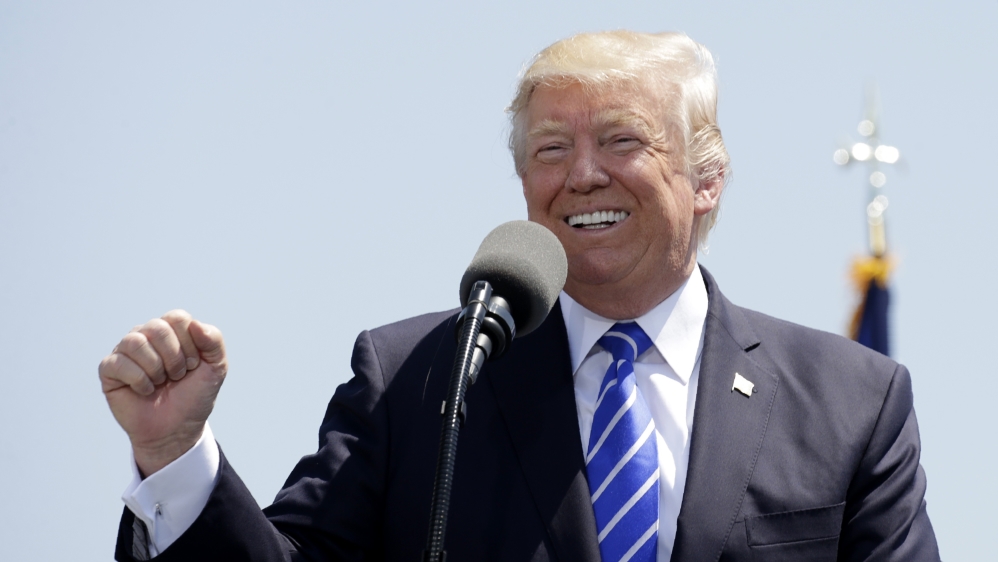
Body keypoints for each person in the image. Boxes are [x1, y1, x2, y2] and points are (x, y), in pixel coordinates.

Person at [101, 31, 940, 561]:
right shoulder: (417, 378)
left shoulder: (851, 403)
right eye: (549, 148)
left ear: (708, 178)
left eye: (621, 140)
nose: (581, 175)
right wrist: (177, 458)